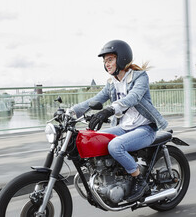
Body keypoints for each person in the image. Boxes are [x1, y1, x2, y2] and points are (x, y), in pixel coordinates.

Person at [70, 40, 168, 202]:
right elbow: (94, 100)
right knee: (95, 137)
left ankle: (139, 180)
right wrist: (71, 112)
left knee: (115, 145)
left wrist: (110, 109)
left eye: (110, 59)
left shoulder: (139, 77)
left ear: (121, 58)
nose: (106, 64)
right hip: (124, 128)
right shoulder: (112, 83)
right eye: (104, 61)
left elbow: (134, 97)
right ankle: (113, 176)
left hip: (145, 129)